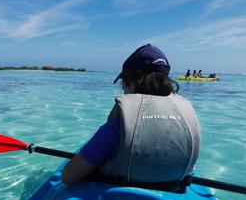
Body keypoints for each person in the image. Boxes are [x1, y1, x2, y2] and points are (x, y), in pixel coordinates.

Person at [62, 44, 201, 186]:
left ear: (131, 81)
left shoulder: (117, 126)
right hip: (174, 192)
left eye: (123, 81)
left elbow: (68, 177)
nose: (122, 87)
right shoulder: (188, 116)